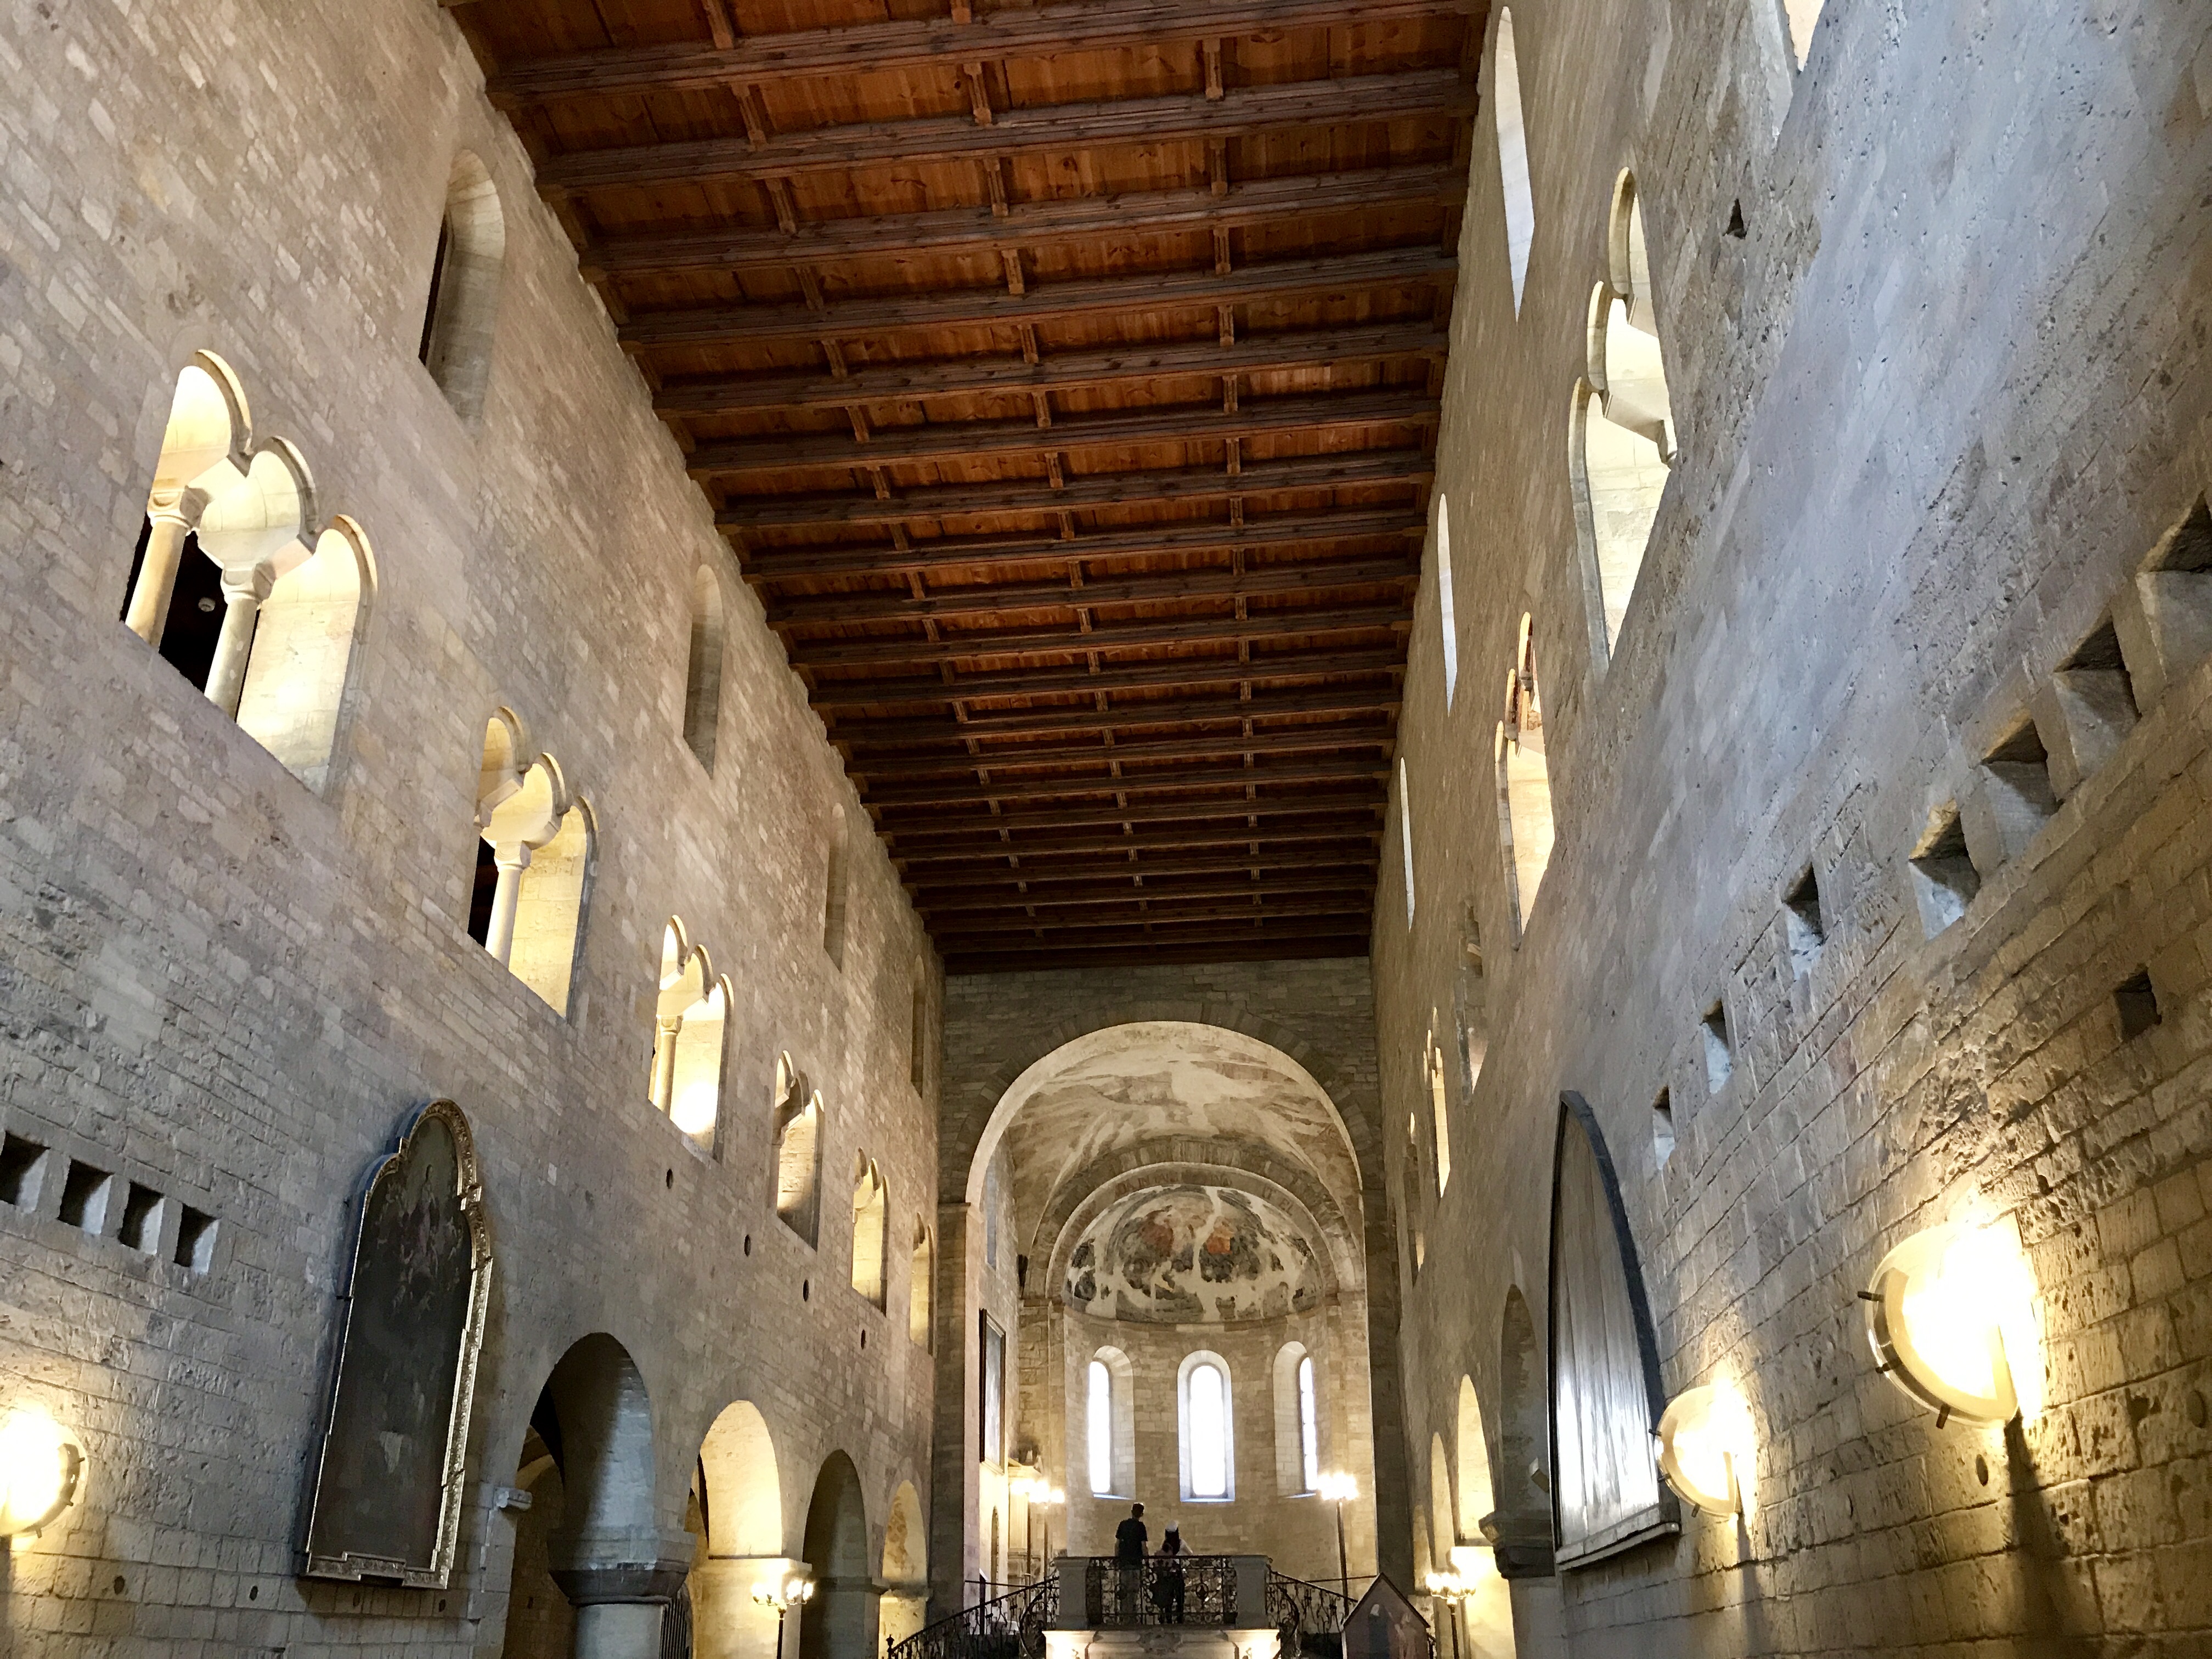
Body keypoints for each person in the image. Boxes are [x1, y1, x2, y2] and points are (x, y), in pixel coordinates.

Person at [1113, 1503, 1147, 1622]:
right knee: (1134, 1591)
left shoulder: (1123, 1525)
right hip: (1136, 1563)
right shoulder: (1141, 1527)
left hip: (1124, 1562)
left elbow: (1117, 1545)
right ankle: (1132, 1615)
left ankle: (1124, 1615)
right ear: (1141, 1514)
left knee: (1124, 1589)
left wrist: (1117, 1559)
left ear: (1132, 1512)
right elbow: (1143, 1546)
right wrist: (1147, 1561)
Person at [1155, 1525, 1187, 1624]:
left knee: (1169, 1596)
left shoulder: (1165, 1544)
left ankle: (1168, 1618)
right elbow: (1190, 1553)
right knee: (1180, 1597)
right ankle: (1180, 1618)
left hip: (1168, 1574)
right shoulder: (1181, 1543)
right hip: (1177, 1572)